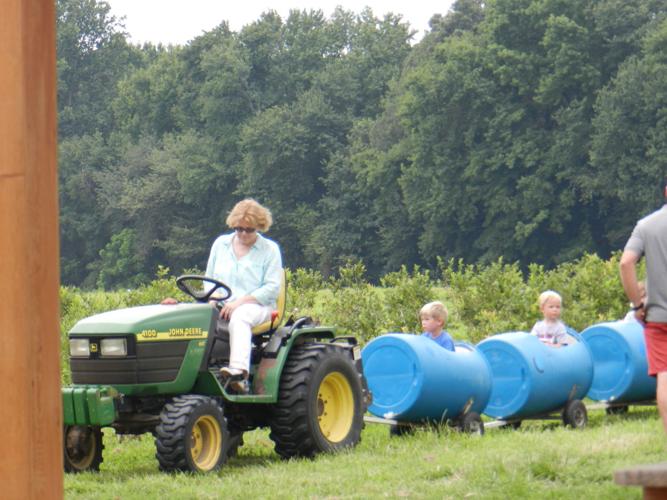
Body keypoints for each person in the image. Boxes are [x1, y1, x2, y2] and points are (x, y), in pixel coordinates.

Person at [620, 178, 667, 435]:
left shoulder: (646, 225)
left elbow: (626, 263)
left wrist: (637, 304)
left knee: (664, 375)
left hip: (658, 316)